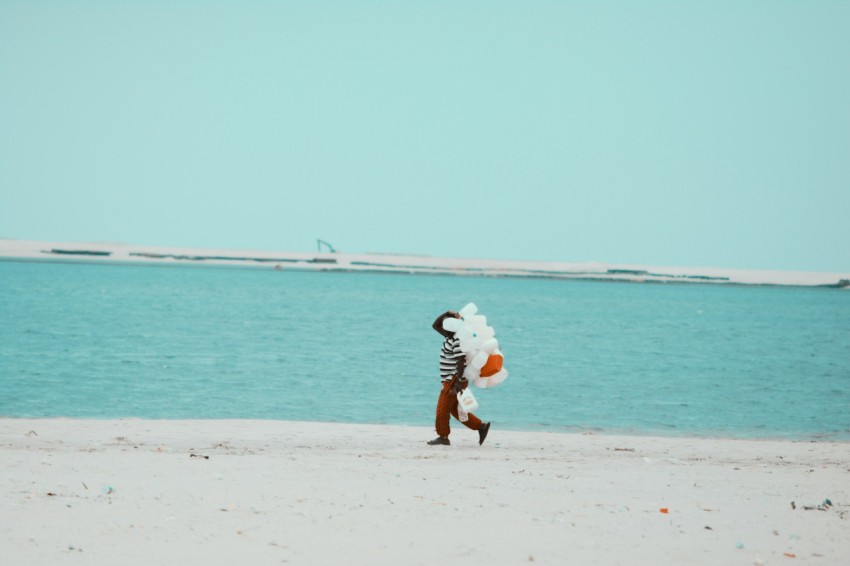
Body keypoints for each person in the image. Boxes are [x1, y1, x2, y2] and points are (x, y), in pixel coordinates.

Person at [427, 310, 490, 446]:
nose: (443, 326)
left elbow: (460, 361)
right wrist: (448, 313)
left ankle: (443, 436)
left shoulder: (456, 340)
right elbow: (435, 325)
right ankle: (481, 426)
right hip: (451, 380)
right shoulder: (449, 336)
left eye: (447, 324)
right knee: (455, 410)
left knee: (442, 409)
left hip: (453, 380)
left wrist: (458, 383)